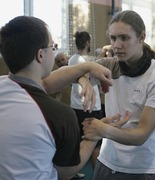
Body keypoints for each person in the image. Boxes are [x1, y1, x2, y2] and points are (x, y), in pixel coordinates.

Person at [0, 15, 129, 180]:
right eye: (52, 47)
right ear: (41, 55)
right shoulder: (59, 115)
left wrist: (87, 68)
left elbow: (44, 84)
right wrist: (93, 136)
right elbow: (65, 172)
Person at [82, 10, 155, 180]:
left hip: (140, 171)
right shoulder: (108, 66)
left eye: (124, 38)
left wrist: (103, 130)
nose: (116, 45)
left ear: (141, 37)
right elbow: (75, 72)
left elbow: (141, 134)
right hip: (105, 164)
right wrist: (84, 80)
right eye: (113, 38)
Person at [68, 31, 103, 169]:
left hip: (76, 106)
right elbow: (98, 66)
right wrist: (103, 52)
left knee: (80, 141)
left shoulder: (72, 59)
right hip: (90, 107)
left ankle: (73, 172)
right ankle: (97, 175)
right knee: (96, 143)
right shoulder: (86, 61)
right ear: (87, 42)